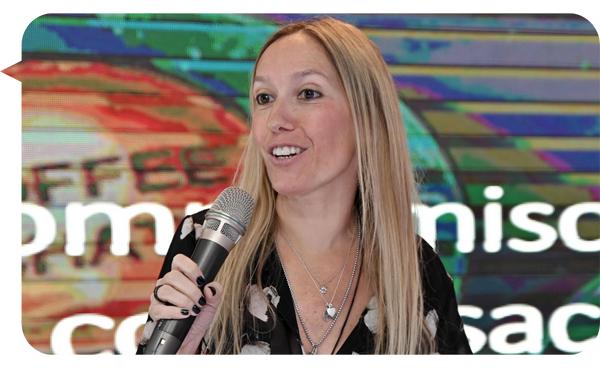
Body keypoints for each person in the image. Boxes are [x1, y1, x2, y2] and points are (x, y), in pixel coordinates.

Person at [136, 17, 472, 358]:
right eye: (264, 98)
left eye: (308, 93)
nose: (276, 120)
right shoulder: (204, 245)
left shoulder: (417, 271)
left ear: (367, 119)